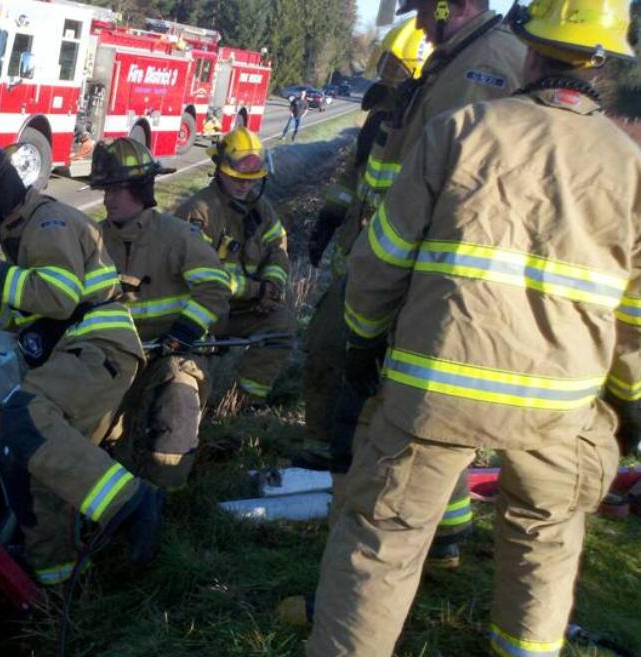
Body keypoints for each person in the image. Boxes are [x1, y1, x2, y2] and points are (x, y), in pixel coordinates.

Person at [299, 2, 639, 657]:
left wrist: (363, 345)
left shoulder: (461, 131)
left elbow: (381, 260)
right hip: (560, 403)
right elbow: (634, 316)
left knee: (383, 537)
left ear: (532, 53)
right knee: (544, 528)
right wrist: (629, 403)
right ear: (601, 64)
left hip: (436, 387)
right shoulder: (630, 167)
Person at [0, 140, 164, 586]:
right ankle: (59, 583)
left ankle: (131, 503)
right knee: (31, 458)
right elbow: (34, 314)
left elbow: (59, 295)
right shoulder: (21, 232)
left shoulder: (46, 222)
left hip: (99, 350)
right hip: (75, 351)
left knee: (23, 415)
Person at [339, 0, 528, 567]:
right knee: (430, 431)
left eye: (424, 10)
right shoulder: (459, 59)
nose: (419, 24)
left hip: (435, 275)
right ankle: (446, 536)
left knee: (409, 422)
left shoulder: (486, 65)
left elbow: (459, 193)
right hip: (416, 262)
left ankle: (394, 535)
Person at [294, 16, 430, 473]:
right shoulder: (378, 123)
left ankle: (370, 457)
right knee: (326, 346)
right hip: (357, 261)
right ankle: (320, 446)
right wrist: (328, 220)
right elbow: (354, 177)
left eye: (397, 78)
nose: (388, 96)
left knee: (381, 374)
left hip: (403, 275)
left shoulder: (435, 135)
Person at [89, 138, 232, 488]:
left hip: (167, 354)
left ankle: (162, 494)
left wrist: (184, 331)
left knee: (177, 396)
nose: (107, 200)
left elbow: (215, 288)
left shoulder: (177, 237)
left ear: (141, 190)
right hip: (108, 357)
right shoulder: (91, 239)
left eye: (117, 190)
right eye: (105, 190)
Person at [174, 127, 295, 406]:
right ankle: (193, 408)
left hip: (242, 307)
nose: (244, 186)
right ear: (219, 170)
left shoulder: (260, 208)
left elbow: (278, 247)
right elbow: (203, 281)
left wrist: (273, 287)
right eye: (236, 178)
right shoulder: (199, 212)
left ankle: (243, 403)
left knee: (282, 325)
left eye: (251, 180)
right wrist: (257, 290)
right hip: (202, 311)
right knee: (191, 372)